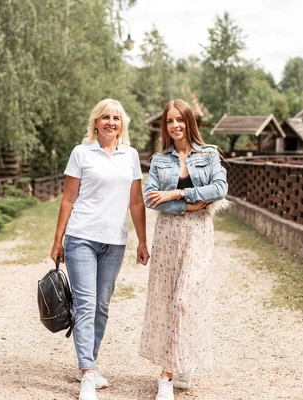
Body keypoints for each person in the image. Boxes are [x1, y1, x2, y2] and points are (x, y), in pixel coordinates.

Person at [50, 99, 150, 400]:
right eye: (105, 117)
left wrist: (143, 241)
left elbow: (135, 202)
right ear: (95, 122)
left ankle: (89, 363)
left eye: (116, 118)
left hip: (115, 241)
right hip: (81, 236)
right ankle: (87, 374)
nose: (111, 122)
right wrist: (58, 240)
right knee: (85, 304)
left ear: (123, 124)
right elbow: (68, 199)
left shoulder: (131, 156)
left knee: (102, 307)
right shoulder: (81, 153)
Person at [139, 99, 229, 400]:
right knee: (167, 299)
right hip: (167, 234)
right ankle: (179, 362)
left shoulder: (209, 154)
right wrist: (190, 204)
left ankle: (166, 376)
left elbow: (219, 189)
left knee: (184, 299)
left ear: (190, 122)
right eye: (169, 121)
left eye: (180, 120)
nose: (175, 126)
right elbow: (151, 198)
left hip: (198, 234)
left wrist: (177, 193)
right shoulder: (159, 160)